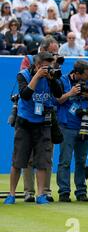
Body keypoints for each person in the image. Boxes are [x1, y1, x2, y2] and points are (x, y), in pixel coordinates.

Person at [3, 52, 63, 205]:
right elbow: (25, 95)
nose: (50, 68)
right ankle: (11, 194)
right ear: (37, 65)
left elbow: (58, 94)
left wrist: (51, 79)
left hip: (43, 123)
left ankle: (41, 195)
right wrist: (37, 76)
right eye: (47, 66)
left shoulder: (51, 76)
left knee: (42, 161)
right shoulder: (23, 75)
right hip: (24, 123)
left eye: (52, 65)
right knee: (18, 161)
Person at [55, 60, 88, 202]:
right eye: (87, 74)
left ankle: (81, 192)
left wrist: (87, 95)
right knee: (65, 161)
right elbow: (57, 100)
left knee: (81, 161)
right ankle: (64, 192)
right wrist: (71, 92)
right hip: (66, 126)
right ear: (77, 73)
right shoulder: (63, 80)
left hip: (84, 126)